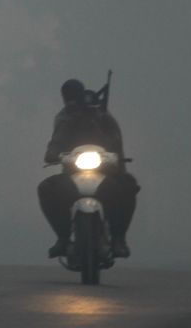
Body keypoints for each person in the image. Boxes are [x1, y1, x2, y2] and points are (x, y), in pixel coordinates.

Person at [37, 78, 140, 258]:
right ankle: (62, 237)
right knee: (46, 189)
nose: (71, 102)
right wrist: (54, 153)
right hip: (72, 175)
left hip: (106, 173)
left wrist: (95, 122)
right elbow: (55, 144)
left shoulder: (102, 116)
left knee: (128, 186)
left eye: (74, 97)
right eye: (67, 97)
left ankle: (118, 239)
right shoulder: (64, 118)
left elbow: (116, 143)